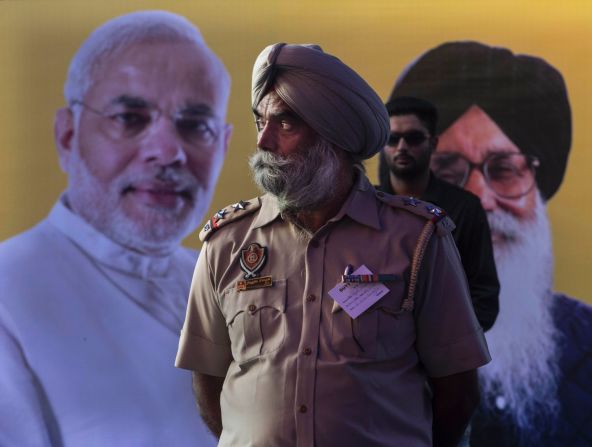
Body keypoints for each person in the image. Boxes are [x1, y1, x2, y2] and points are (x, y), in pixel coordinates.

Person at [175, 42, 490, 447]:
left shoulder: (417, 239)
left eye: (285, 124)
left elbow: (458, 389)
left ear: (334, 137)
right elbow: (209, 379)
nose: (264, 142)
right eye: (260, 122)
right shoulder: (227, 242)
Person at [388, 40, 592, 446]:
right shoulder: (348, 346)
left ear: (538, 187)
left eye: (504, 170)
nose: (479, 200)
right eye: (447, 173)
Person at [0, 11, 231, 446]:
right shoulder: (9, 292)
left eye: (196, 126)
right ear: (68, 136)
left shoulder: (228, 281)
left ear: (223, 145)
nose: (167, 153)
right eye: (129, 118)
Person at [378, 96, 499, 331]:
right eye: (392, 139)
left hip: (444, 356)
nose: (402, 147)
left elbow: (484, 296)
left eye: (413, 138)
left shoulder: (465, 208)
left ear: (433, 143)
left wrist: (446, 344)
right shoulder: (366, 206)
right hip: (380, 355)